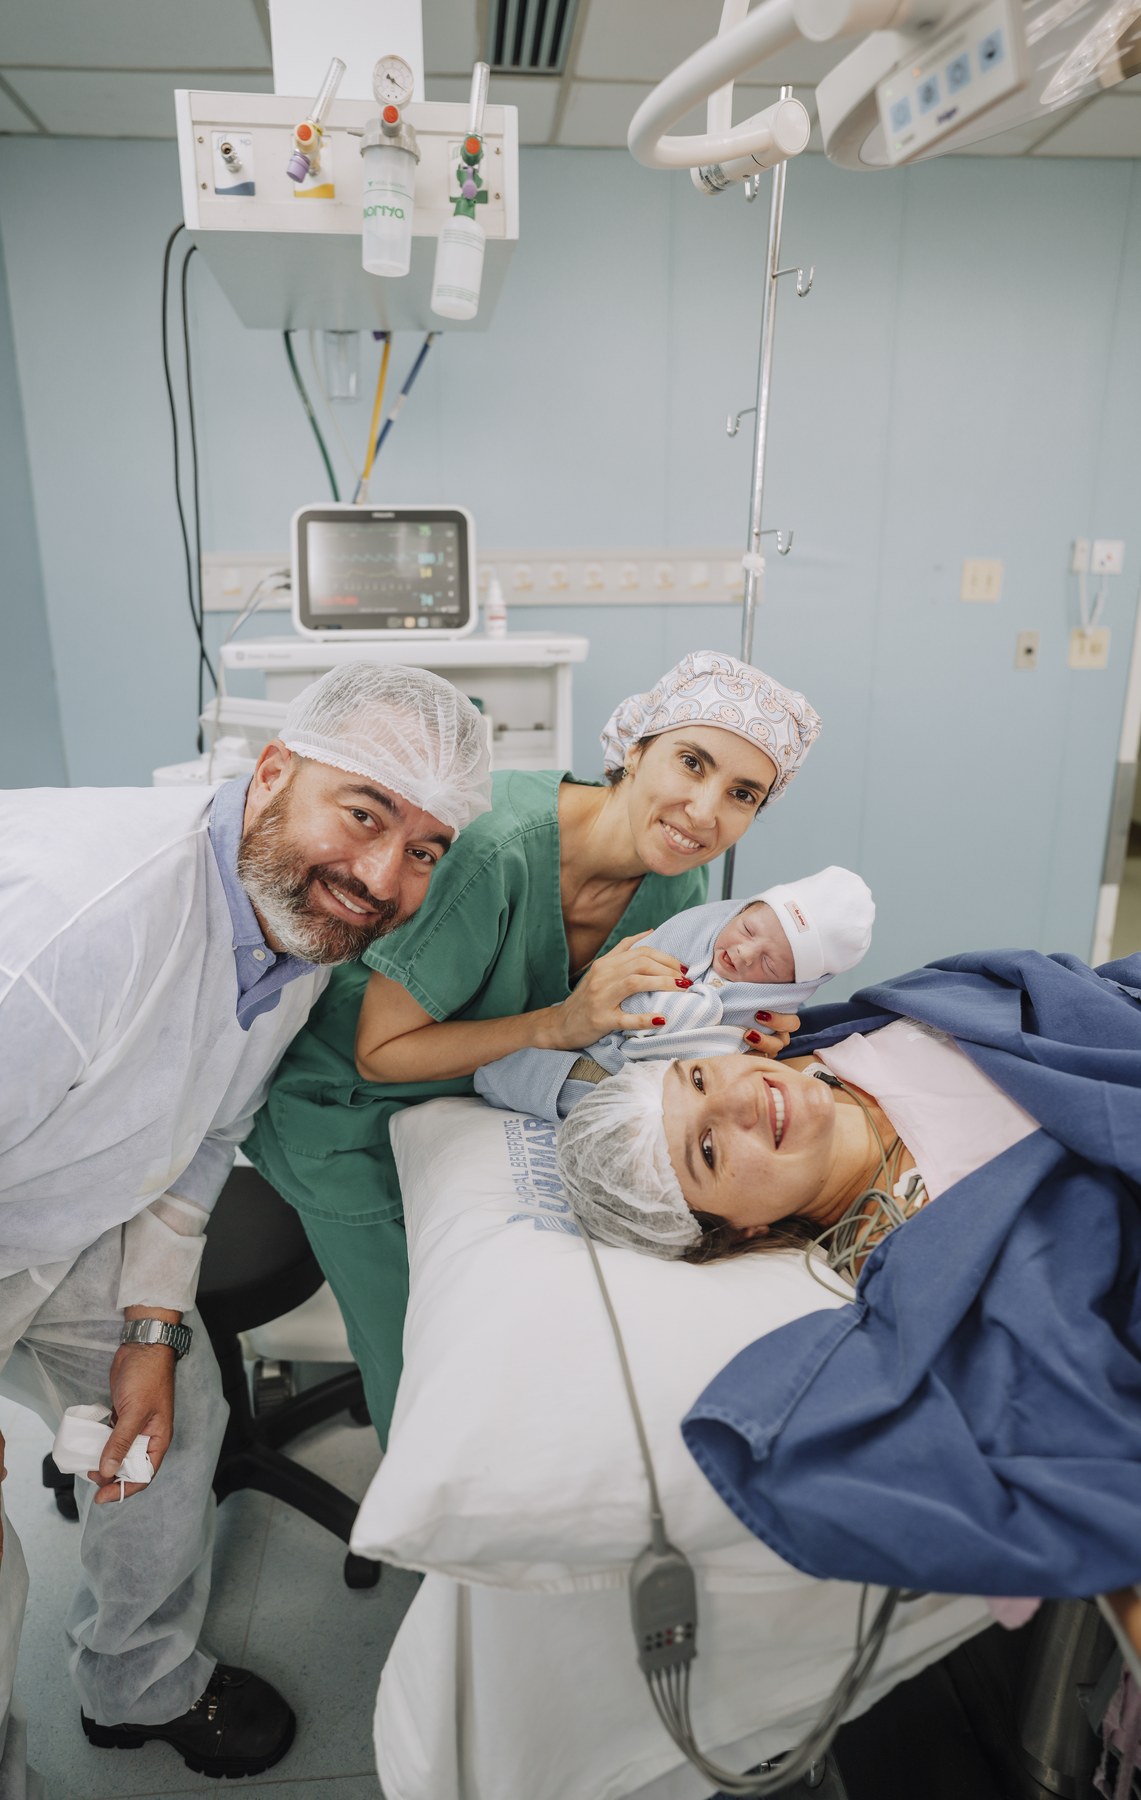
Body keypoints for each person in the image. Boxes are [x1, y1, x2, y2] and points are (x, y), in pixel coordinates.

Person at [0, 662, 490, 1800]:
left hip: (42, 1213)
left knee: (174, 1407)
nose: (384, 879)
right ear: (274, 770)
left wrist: (150, 1327)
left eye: (426, 849)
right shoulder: (70, 929)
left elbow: (205, 1133)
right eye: (366, 813)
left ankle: (134, 1681)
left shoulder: (295, 919)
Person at [245, 650, 822, 1445]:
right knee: (424, 1368)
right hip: (346, 1112)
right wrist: (560, 1023)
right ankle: (430, 1511)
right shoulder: (497, 850)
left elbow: (642, 1033)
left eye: (742, 794)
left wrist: (736, 1032)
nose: (703, 811)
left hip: (471, 1102)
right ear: (634, 747)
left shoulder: (678, 886)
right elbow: (381, 1052)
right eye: (692, 762)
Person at [550, 947, 1141, 1641]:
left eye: (701, 1077)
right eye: (706, 1150)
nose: (741, 1098)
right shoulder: (932, 1244)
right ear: (738, 1230)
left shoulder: (845, 1034)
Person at [473, 864, 873, 1119]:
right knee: (523, 1067)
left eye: (769, 965)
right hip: (597, 1041)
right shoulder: (687, 935)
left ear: (792, 987)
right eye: (747, 929)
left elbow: (719, 1064)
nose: (744, 953)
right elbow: (624, 990)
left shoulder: (764, 1017)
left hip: (654, 1085)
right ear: (739, 910)